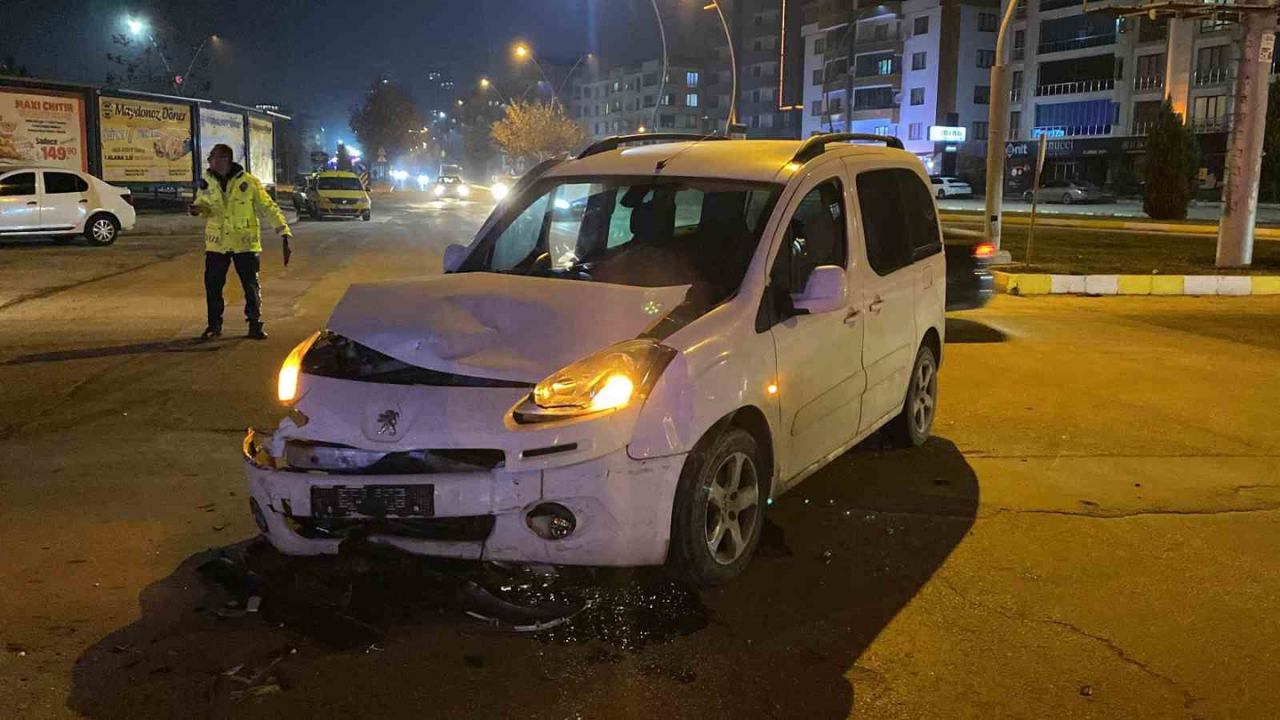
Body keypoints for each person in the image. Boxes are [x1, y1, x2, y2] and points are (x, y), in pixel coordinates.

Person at [190, 143, 292, 340]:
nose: (209, 160)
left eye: (213, 156)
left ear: (225, 160)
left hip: (244, 242)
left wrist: (283, 232)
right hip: (217, 243)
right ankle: (214, 325)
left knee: (250, 285)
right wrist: (198, 209)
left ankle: (255, 324)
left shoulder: (249, 182)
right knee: (213, 286)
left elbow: (268, 207)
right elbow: (204, 205)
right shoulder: (207, 181)